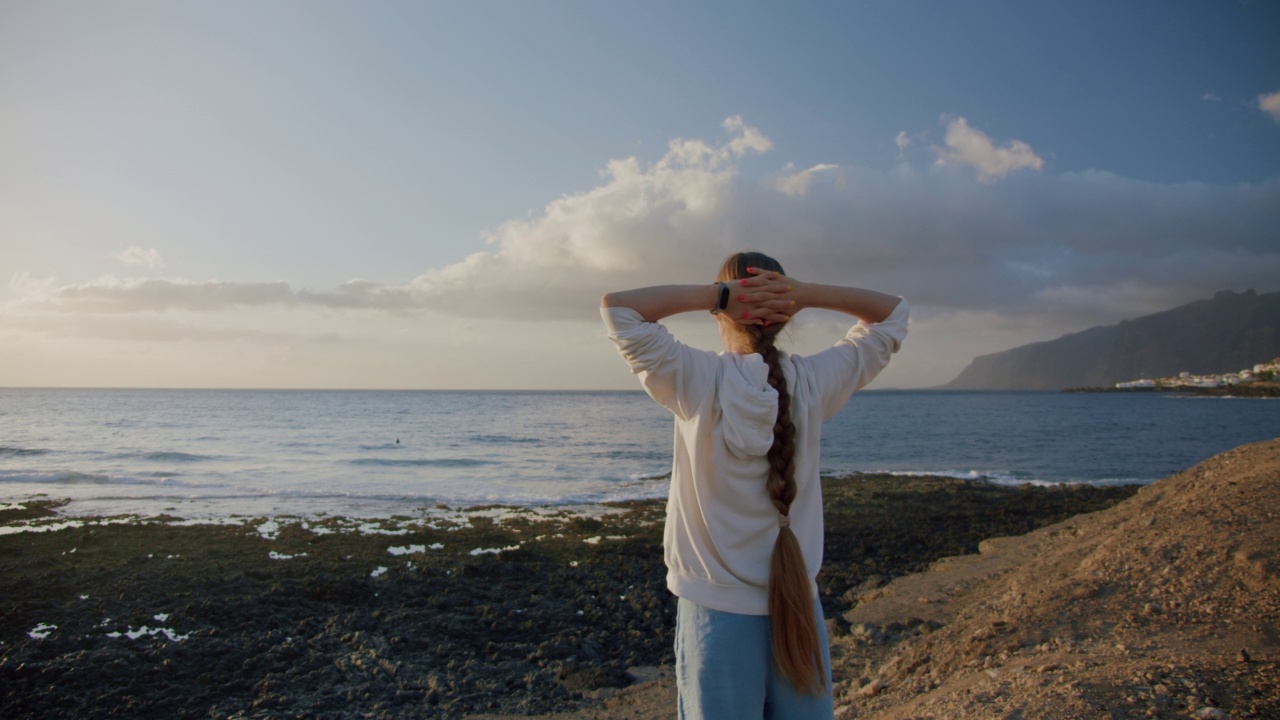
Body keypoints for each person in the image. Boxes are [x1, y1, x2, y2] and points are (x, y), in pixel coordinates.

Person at [600, 251, 908, 720]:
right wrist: (803, 295)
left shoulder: (694, 378)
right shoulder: (813, 381)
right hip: (797, 605)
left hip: (714, 610)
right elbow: (892, 314)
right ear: (784, 315)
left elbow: (618, 308)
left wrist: (718, 296)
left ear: (723, 312)